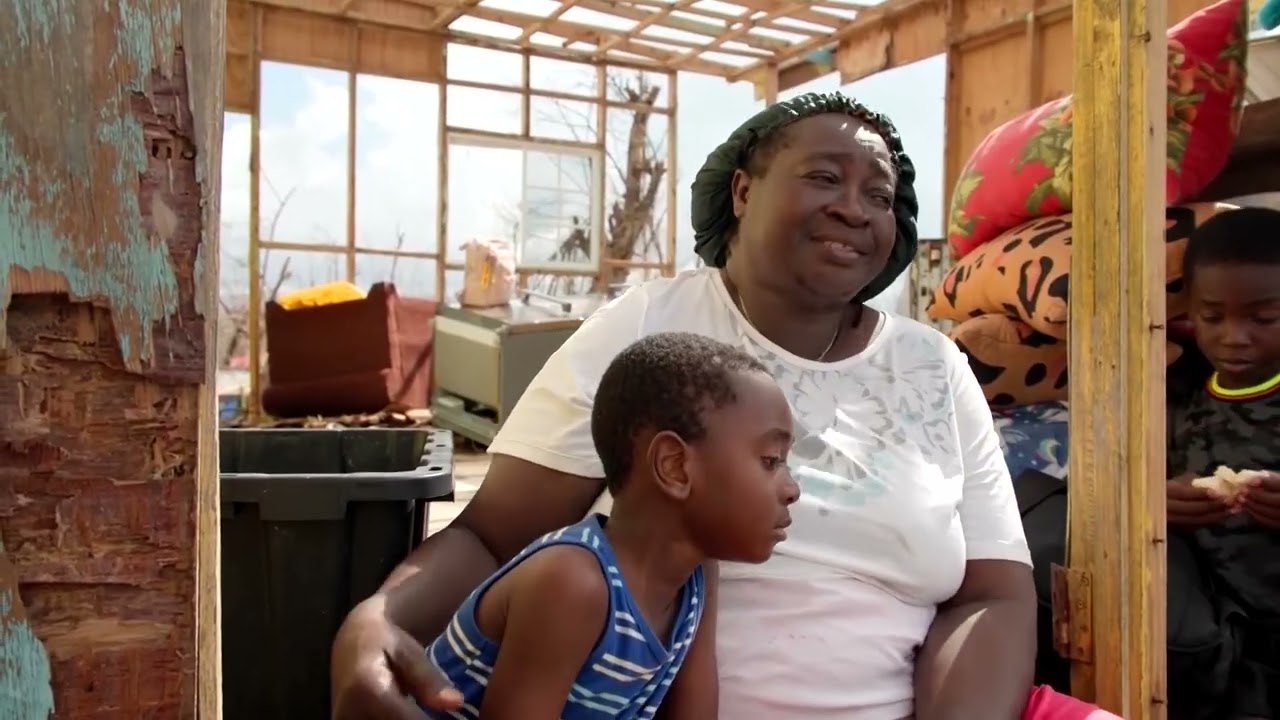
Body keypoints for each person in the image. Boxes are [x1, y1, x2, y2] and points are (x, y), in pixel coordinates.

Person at [330, 92, 1114, 720]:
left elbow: (994, 596)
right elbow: (492, 532)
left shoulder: (934, 366)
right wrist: (374, 623)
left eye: (881, 194)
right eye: (823, 177)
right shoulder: (650, 326)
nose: (856, 207)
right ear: (743, 190)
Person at [417, 332, 800, 719]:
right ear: (675, 466)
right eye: (770, 460)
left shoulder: (697, 578)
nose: (792, 489)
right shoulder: (572, 582)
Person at [1164, 207, 1280, 719]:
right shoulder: (1174, 397)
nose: (1234, 337)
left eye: (1264, 319)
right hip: (1210, 649)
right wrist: (1159, 503)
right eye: (1213, 317)